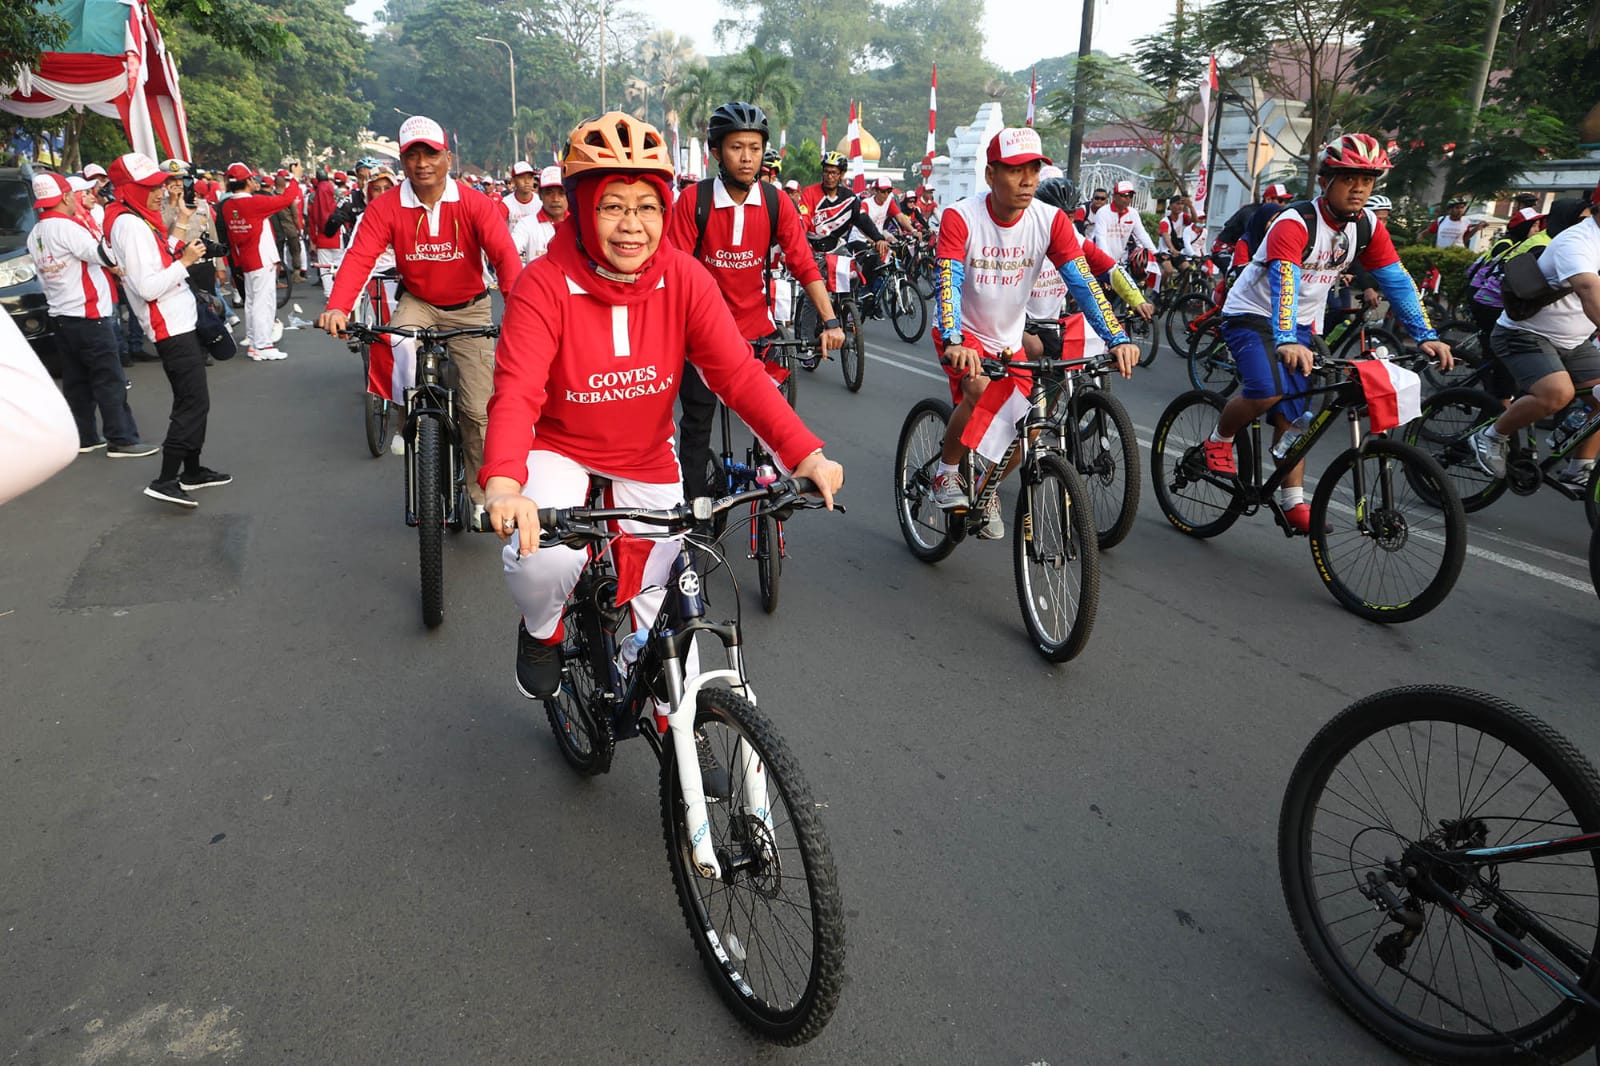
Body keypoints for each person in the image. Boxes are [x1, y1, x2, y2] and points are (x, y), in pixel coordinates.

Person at [478, 112, 844, 699]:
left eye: (646, 207)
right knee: (544, 561)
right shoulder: (542, 284)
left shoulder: (686, 278)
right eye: (612, 206)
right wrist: (502, 484)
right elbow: (516, 391)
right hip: (559, 447)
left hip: (646, 452)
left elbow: (739, 375)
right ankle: (542, 629)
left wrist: (806, 453)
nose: (631, 226)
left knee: (670, 602)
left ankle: (680, 718)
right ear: (583, 207)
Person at [1205, 134, 1452, 532]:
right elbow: (1285, 279)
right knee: (1268, 390)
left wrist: (1425, 333)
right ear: (1324, 180)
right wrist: (1285, 339)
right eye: (1348, 177)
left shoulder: (1367, 226)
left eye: (1368, 180)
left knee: (1297, 410)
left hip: (1299, 323)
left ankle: (1292, 502)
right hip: (1252, 313)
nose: (1359, 188)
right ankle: (1218, 438)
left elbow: (1397, 281)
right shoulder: (1295, 221)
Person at [929, 128, 1141, 538]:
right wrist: (955, 340)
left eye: (1033, 169)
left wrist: (1117, 338)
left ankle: (986, 485)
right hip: (964, 333)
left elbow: (1083, 282)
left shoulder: (1051, 221)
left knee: (1034, 423)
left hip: (1009, 340)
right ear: (990, 175)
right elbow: (948, 282)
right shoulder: (961, 216)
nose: (1027, 180)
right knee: (977, 387)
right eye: (1014, 170)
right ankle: (946, 471)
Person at [320, 114, 522, 511]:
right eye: (412, 154)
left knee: (478, 411)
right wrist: (337, 307)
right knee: (394, 343)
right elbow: (361, 256)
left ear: (447, 157)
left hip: (470, 309)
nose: (422, 162)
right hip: (419, 302)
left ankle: (480, 496)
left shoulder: (475, 204)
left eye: (430, 153)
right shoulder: (386, 207)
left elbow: (506, 259)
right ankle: (401, 417)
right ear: (402, 160)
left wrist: (519, 312)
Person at [666, 100, 846, 499]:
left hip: (758, 335)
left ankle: (772, 502)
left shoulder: (775, 201)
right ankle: (696, 521)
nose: (747, 157)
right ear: (716, 152)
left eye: (754, 147)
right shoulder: (692, 203)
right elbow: (672, 271)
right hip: (700, 340)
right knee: (697, 428)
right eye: (735, 147)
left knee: (771, 428)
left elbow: (803, 263)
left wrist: (830, 320)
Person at [103, 152, 232, 508]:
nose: (159, 193)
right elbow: (147, 286)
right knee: (193, 403)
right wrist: (187, 262)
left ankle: (190, 471)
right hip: (169, 325)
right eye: (150, 188)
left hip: (179, 320)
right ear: (127, 189)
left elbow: (160, 253)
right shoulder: (128, 225)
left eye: (158, 186)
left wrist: (179, 223)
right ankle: (165, 478)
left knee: (193, 401)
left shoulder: (132, 218)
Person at [1470, 181, 1600, 485]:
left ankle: (1578, 468)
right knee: (1558, 393)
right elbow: (1588, 288)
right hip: (1524, 334)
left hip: (1574, 342)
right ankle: (1490, 436)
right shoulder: (1579, 241)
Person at [26, 172, 157, 459]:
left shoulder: (36, 233)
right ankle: (121, 438)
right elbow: (105, 255)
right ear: (65, 196)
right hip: (88, 315)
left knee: (77, 381)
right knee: (109, 378)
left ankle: (84, 436)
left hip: (61, 315)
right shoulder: (69, 228)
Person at [218, 162, 300, 361]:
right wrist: (295, 177)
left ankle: (256, 342)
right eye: (252, 178)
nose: (255, 181)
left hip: (246, 259)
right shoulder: (254, 203)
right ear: (247, 181)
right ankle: (263, 345)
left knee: (253, 303)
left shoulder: (228, 205)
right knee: (264, 303)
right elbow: (287, 198)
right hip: (261, 259)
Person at [799, 150, 889, 299]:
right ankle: (810, 321)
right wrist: (802, 246)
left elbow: (862, 220)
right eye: (826, 172)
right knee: (815, 296)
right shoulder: (810, 193)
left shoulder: (850, 198)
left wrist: (878, 238)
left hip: (837, 247)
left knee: (853, 276)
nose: (829, 177)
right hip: (813, 250)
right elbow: (803, 221)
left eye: (834, 173)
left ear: (841, 175)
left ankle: (847, 311)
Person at [1090, 180, 1159, 290]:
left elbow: (1141, 234)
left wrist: (1155, 252)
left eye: (1130, 195)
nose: (1128, 199)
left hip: (1117, 260)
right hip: (1099, 258)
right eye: (1124, 195)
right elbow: (1100, 239)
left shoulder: (1133, 213)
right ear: (1114, 196)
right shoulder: (1103, 212)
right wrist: (1107, 262)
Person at [511, 166, 568, 263]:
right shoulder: (526, 225)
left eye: (561, 193)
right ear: (540, 195)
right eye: (549, 193)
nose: (556, 199)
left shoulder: (579, 225)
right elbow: (509, 252)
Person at [503, 161, 541, 229]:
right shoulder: (505, 204)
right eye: (522, 178)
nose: (527, 181)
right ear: (513, 181)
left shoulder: (540, 202)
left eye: (530, 177)